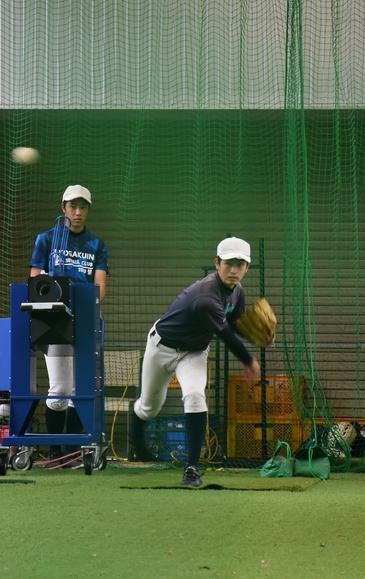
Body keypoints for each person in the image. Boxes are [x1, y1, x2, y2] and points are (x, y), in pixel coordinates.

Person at [128, 237, 270, 487]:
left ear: (247, 267)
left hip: (193, 352)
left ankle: (191, 469)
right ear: (217, 263)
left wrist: (258, 337)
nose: (234, 269)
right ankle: (136, 428)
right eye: (228, 263)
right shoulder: (206, 296)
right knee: (149, 408)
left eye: (240, 264)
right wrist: (249, 360)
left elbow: (235, 323)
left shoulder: (238, 291)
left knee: (195, 396)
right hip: (161, 347)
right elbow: (224, 334)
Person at [29, 185, 109, 464]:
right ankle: (54, 453)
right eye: (72, 206)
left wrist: (82, 300)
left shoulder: (96, 245)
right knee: (60, 388)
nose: (77, 212)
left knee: (80, 390)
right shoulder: (46, 239)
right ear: (63, 208)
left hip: (85, 319)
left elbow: (100, 289)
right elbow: (35, 281)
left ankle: (73, 453)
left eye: (83, 207)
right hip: (53, 320)